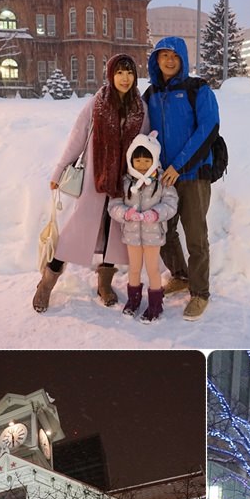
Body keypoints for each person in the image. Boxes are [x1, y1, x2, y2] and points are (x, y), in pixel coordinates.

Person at [36, 53, 148, 313]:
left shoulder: (140, 108)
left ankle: (104, 285)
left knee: (114, 234)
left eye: (129, 73)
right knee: (77, 229)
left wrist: (143, 179)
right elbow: (77, 138)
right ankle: (47, 282)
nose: (124, 78)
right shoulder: (97, 102)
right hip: (93, 179)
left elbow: (145, 148)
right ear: (111, 74)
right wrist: (59, 170)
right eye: (119, 72)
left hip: (124, 181)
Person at [144, 37, 220, 321]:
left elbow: (209, 128)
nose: (169, 60)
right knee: (162, 233)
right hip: (163, 178)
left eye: (175, 55)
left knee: (196, 237)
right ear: (156, 60)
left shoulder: (197, 89)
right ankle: (180, 276)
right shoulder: (150, 94)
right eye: (164, 55)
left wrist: (178, 165)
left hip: (193, 175)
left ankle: (200, 293)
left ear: (183, 59)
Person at [108, 132, 179, 322]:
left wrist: (155, 214)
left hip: (154, 235)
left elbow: (171, 204)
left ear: (154, 160)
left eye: (146, 160)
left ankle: (156, 304)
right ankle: (134, 301)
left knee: (153, 269)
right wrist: (125, 214)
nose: (141, 165)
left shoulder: (162, 181)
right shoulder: (125, 182)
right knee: (134, 269)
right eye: (137, 161)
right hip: (131, 235)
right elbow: (113, 205)